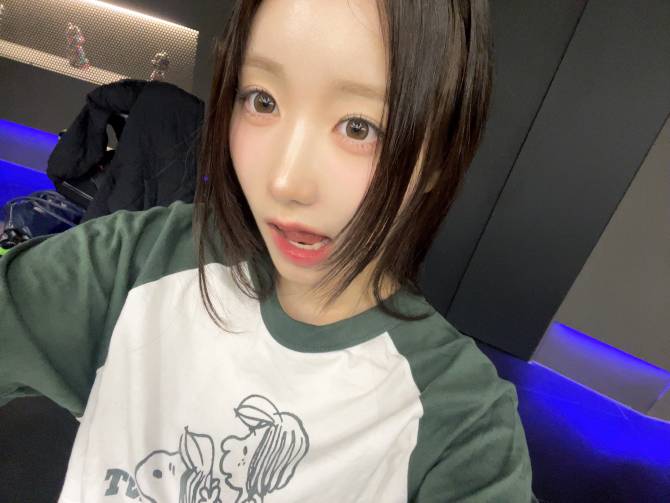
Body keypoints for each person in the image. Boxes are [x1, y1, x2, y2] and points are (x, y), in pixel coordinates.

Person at [0, 0, 538, 501]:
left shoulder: (457, 424)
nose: (285, 183)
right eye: (263, 100)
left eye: (359, 127)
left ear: (439, 157)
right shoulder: (140, 263)